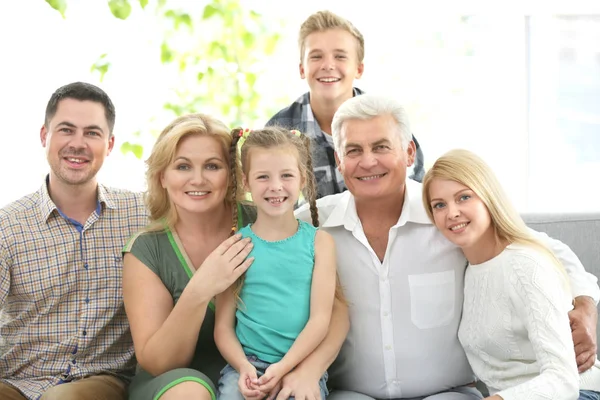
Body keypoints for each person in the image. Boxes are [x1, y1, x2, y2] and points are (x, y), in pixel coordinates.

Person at [290, 94, 600, 400]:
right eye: (353, 150)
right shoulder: (312, 224)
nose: (368, 161)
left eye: (381, 147)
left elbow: (539, 249)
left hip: (447, 394)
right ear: (339, 161)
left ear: (409, 153)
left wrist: (585, 306)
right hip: (351, 394)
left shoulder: (446, 215)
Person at [0, 82, 148, 400]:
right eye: (66, 130)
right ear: (45, 136)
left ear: (109, 144)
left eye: (92, 133)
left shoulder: (141, 215)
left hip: (101, 380)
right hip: (14, 379)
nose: (77, 144)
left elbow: (204, 200)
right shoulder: (8, 226)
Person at [422, 149, 600, 400]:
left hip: (577, 392)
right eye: (439, 205)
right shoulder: (467, 267)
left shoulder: (524, 264)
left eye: (464, 198)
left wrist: (586, 305)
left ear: (488, 197)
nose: (452, 213)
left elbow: (563, 381)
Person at [122, 114, 256, 400]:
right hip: (175, 384)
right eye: (183, 166)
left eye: (212, 166)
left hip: (254, 375)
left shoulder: (263, 224)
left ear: (232, 175)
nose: (198, 179)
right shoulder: (146, 251)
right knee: (191, 390)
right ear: (162, 176)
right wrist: (200, 288)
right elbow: (161, 362)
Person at [215, 127, 338, 399]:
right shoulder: (236, 246)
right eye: (263, 177)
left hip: (300, 366)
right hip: (245, 366)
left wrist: (283, 367)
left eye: (286, 175)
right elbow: (223, 327)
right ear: (246, 182)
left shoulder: (320, 243)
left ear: (302, 179)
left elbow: (320, 320)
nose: (275, 186)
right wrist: (243, 366)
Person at [266, 10, 425, 200]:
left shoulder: (388, 122)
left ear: (359, 69)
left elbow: (417, 195)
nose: (328, 65)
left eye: (340, 56)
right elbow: (271, 206)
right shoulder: (280, 131)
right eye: (316, 57)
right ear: (302, 69)